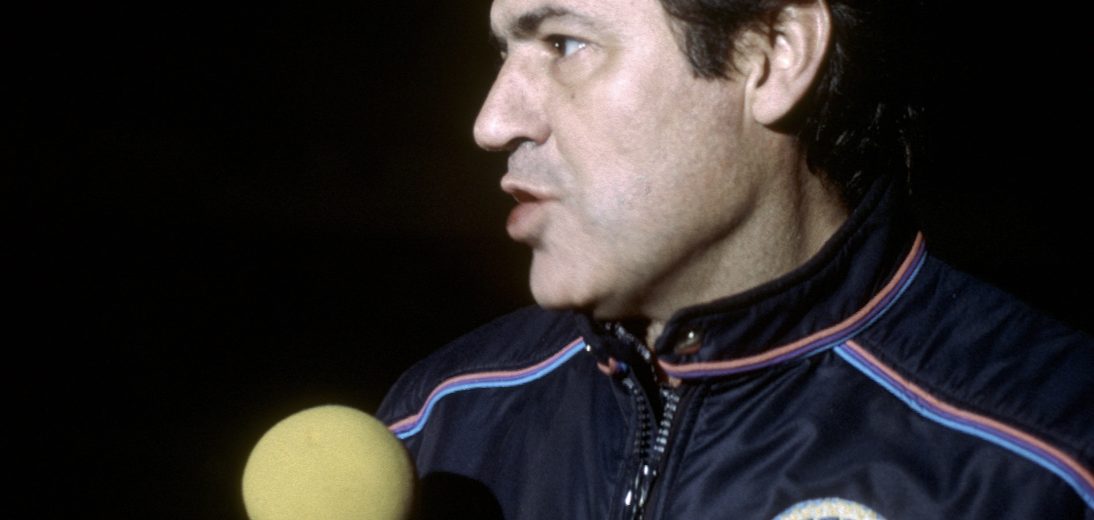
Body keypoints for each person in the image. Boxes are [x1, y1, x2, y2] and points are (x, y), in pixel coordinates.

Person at [377, 0, 1094, 517]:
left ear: (775, 54)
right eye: (504, 53)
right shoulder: (435, 425)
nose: (493, 122)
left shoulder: (1052, 459)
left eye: (565, 44)